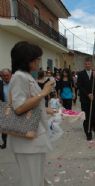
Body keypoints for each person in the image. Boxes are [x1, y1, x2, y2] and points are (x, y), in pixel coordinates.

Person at [9, 41, 55, 186]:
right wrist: (43, 93)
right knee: (32, 180)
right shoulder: (19, 77)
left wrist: (45, 109)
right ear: (27, 60)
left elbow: (30, 103)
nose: (38, 62)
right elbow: (18, 107)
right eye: (36, 59)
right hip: (27, 139)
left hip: (33, 138)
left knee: (36, 178)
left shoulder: (26, 76)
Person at [77, 58, 95, 141]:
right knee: (86, 116)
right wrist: (88, 94)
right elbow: (80, 86)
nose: (88, 65)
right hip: (85, 98)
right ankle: (88, 133)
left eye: (89, 64)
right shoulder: (80, 74)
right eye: (86, 64)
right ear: (84, 64)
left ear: (91, 65)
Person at [0, 68, 12, 149]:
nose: (6, 77)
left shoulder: (15, 83)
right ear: (1, 77)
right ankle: (4, 142)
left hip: (16, 107)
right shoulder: (0, 84)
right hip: (4, 107)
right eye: (4, 76)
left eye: (7, 75)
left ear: (10, 75)